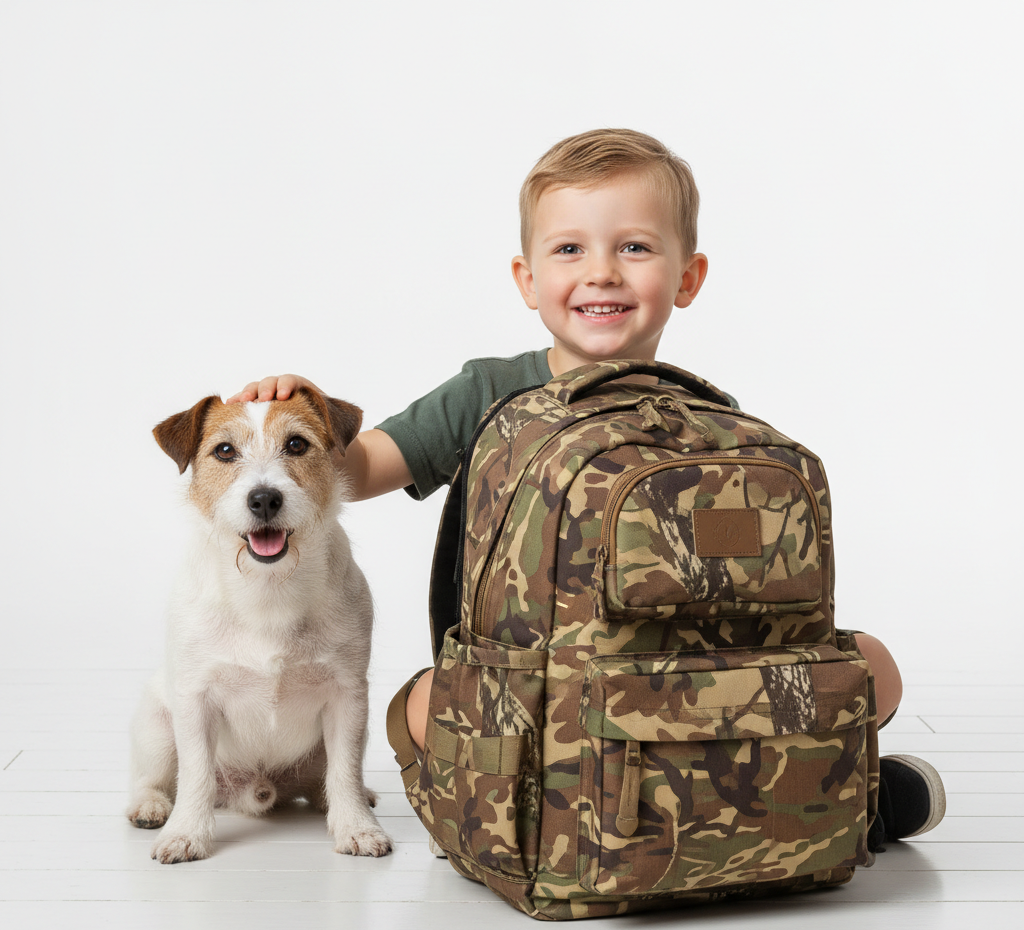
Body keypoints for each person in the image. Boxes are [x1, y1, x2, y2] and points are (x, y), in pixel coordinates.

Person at [229, 128, 945, 847]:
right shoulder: (488, 393)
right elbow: (359, 472)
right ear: (527, 279)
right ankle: (827, 804)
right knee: (418, 706)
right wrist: (301, 425)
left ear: (688, 277)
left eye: (634, 247)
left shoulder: (706, 418)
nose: (602, 272)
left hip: (684, 681)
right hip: (537, 690)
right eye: (570, 249)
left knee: (875, 666)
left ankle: (813, 795)